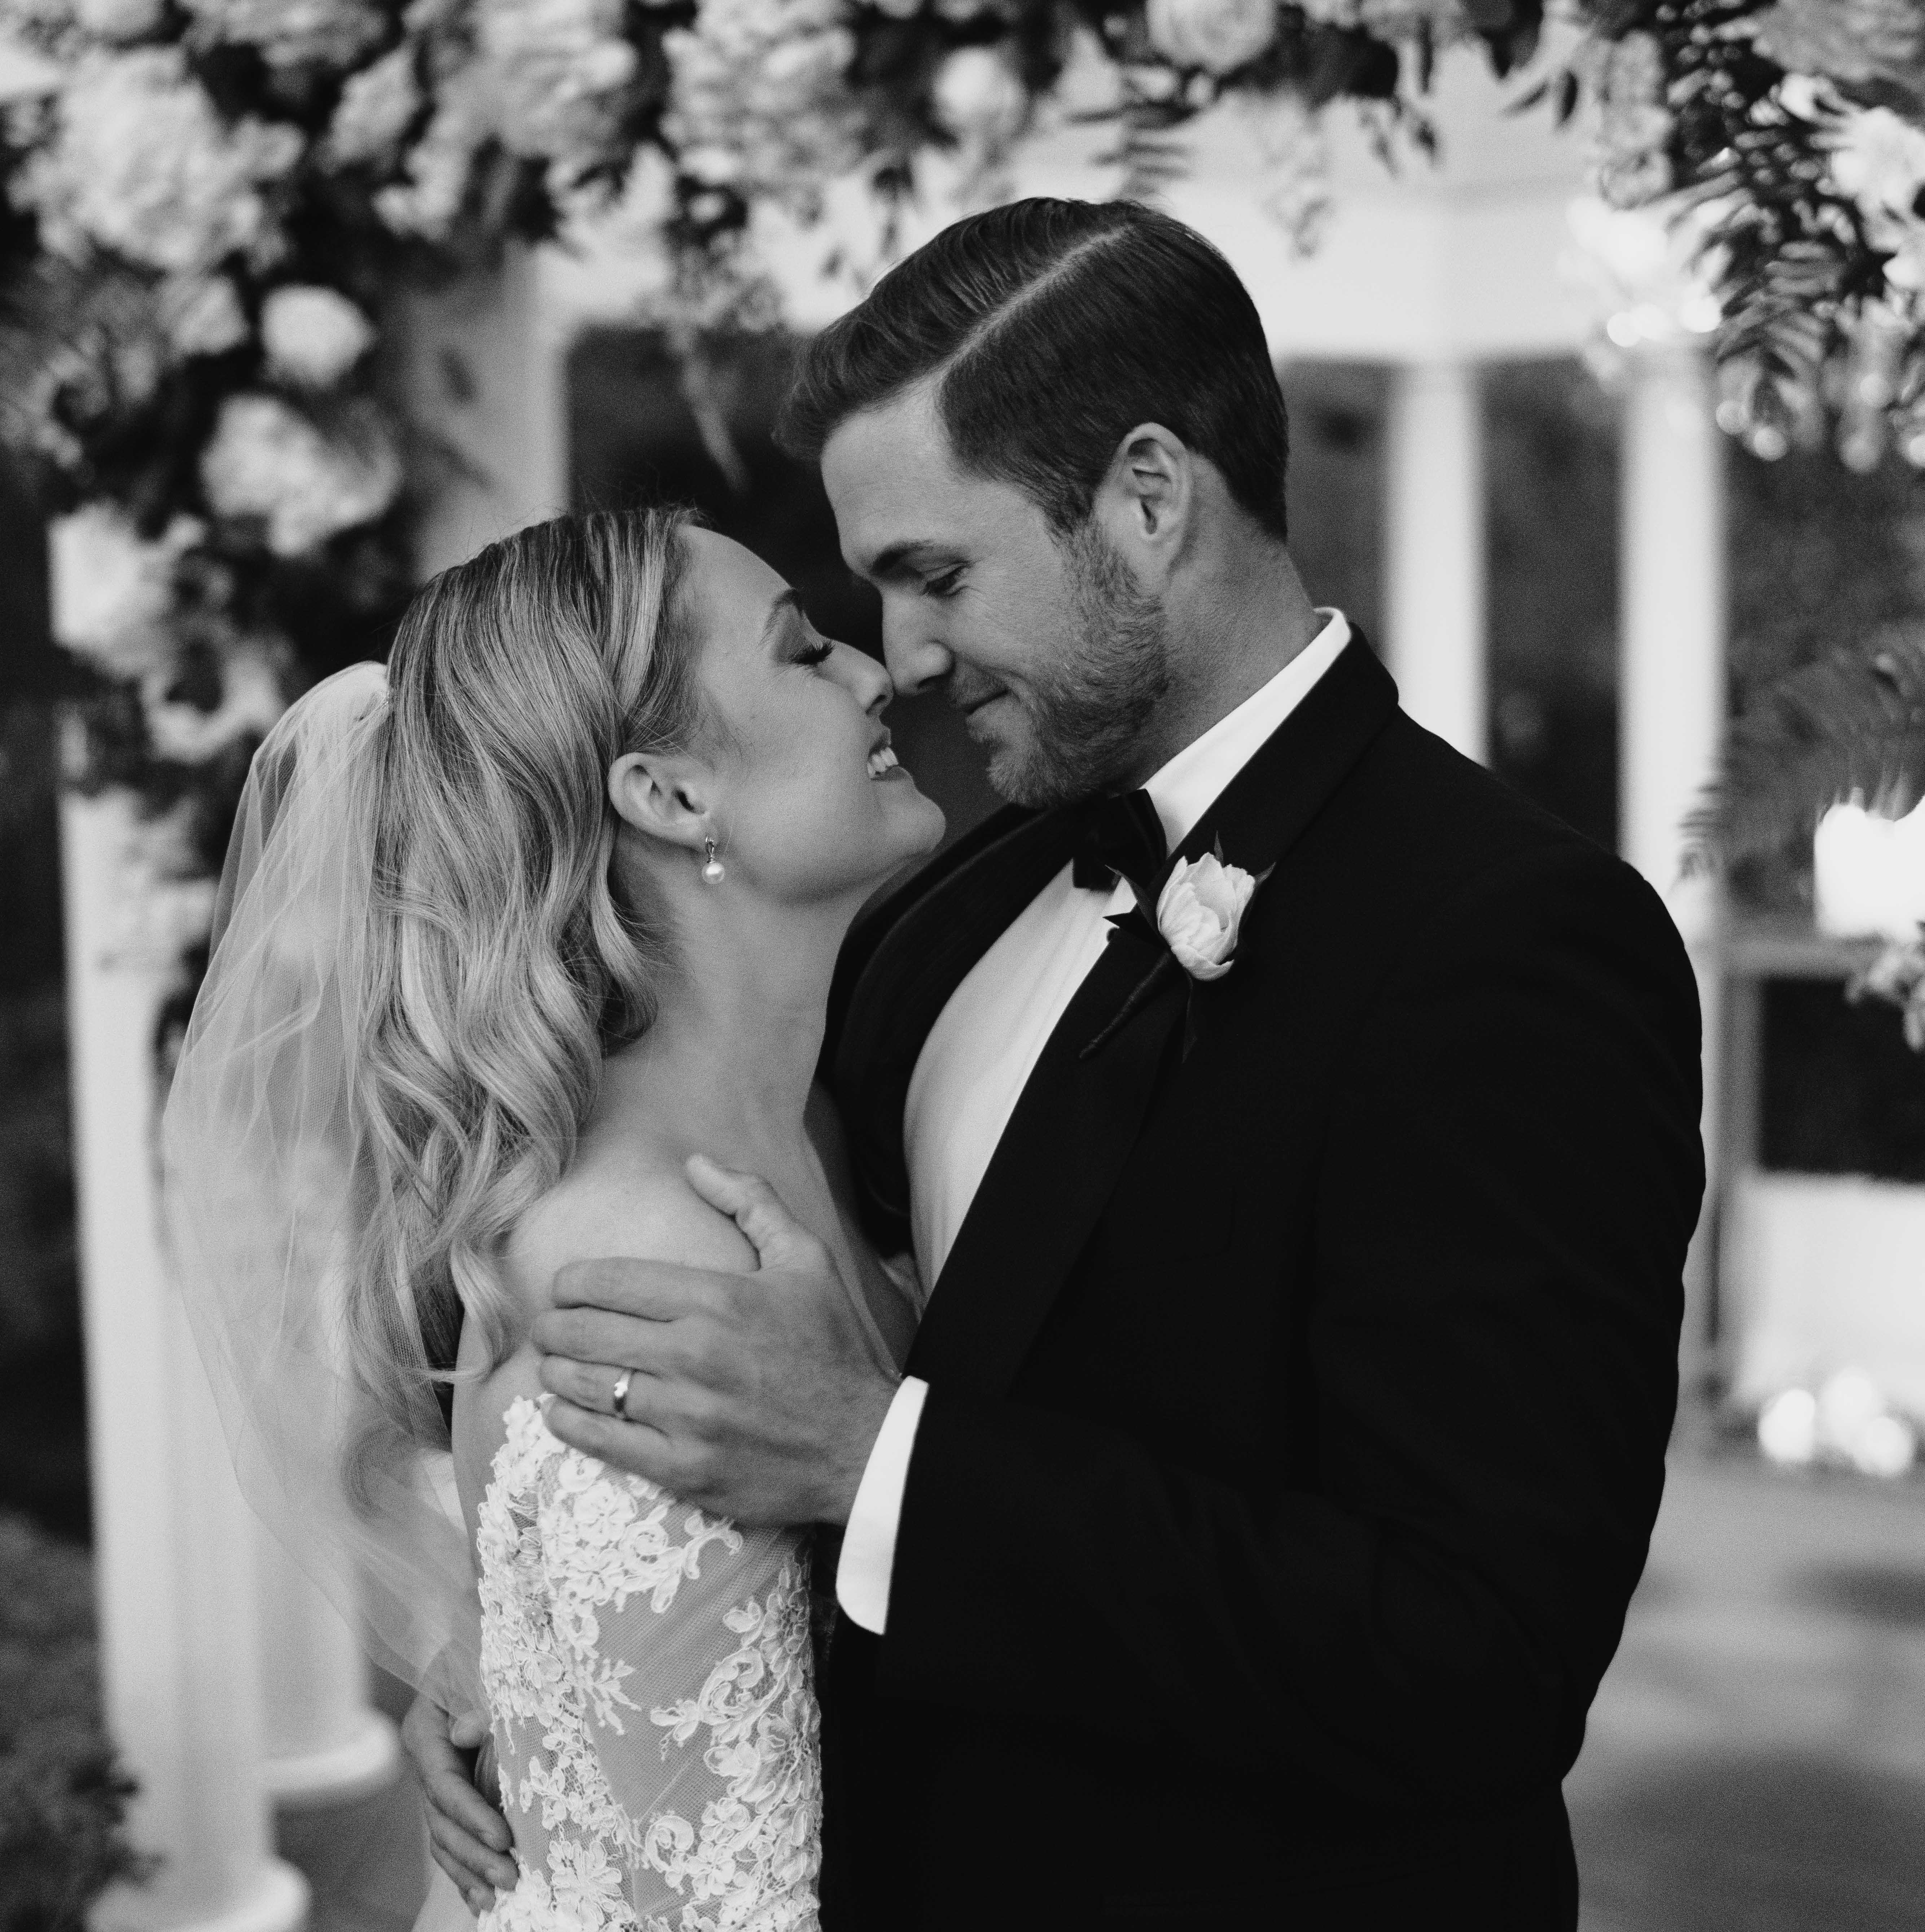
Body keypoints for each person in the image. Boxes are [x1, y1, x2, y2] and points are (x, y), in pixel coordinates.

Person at [412, 198, 1707, 1930]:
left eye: (934, 574)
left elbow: (1468, 1657)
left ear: (1147, 498)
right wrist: (539, 1650)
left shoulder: (1512, 944)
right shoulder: (950, 892)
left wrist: (882, 1462)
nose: (905, 658)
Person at [164, 507, 947, 1930]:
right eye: (801, 648)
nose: (873, 670)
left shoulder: (792, 1135)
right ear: (669, 796)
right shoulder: (657, 1273)